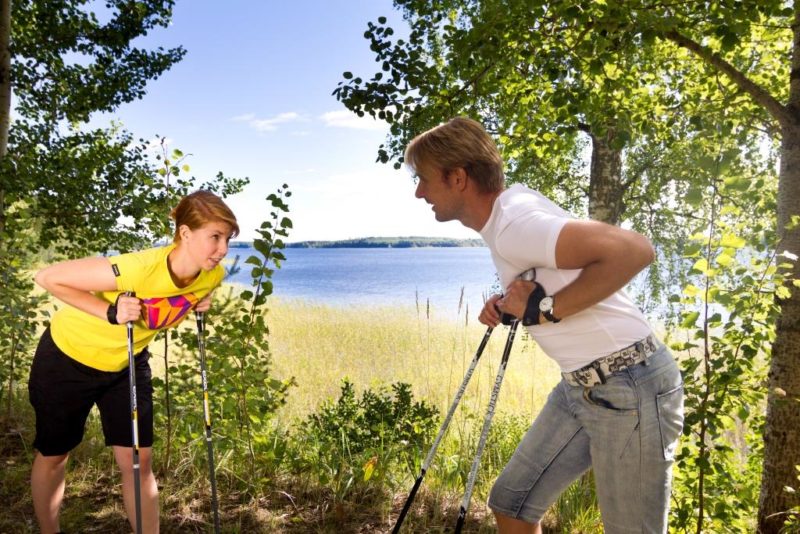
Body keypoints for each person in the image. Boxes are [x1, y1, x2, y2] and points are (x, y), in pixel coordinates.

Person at [406, 117, 684, 534]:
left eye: (424, 179)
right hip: (582, 386)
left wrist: (545, 309)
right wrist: (513, 304)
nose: (419, 192)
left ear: (458, 177)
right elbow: (548, 278)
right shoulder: (508, 215)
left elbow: (635, 250)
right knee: (512, 504)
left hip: (630, 382)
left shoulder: (514, 224)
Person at [29, 190, 239, 534]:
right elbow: (48, 277)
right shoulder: (137, 268)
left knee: (138, 460)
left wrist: (198, 304)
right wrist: (110, 312)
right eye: (214, 237)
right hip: (68, 358)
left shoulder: (210, 276)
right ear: (185, 233)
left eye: (227, 239)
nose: (223, 250)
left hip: (126, 364)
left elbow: (167, 305)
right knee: (55, 455)